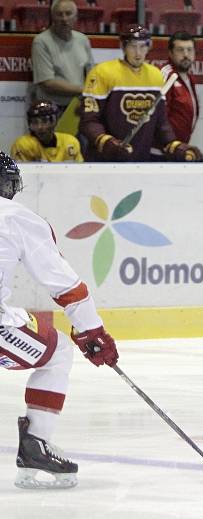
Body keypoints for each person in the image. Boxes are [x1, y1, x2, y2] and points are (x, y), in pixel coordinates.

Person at [0, 152, 120, 489]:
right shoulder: (15, 216)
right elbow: (66, 285)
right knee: (58, 353)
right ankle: (36, 444)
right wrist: (91, 330)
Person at [80, 25, 203, 163]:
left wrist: (174, 145)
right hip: (104, 161)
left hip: (141, 160)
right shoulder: (101, 72)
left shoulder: (155, 75)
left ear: (149, 47)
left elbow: (161, 123)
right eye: (133, 46)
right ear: (123, 46)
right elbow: (89, 120)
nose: (138, 53)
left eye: (143, 46)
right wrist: (105, 142)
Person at [31, 0, 93, 114]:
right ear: (52, 17)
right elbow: (47, 83)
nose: (64, 19)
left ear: (76, 17)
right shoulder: (41, 42)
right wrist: (84, 91)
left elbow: (91, 74)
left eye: (68, 14)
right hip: (52, 110)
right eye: (59, 14)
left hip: (78, 106)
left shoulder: (83, 40)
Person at [11, 100, 83, 162]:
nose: (40, 127)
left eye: (45, 121)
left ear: (55, 121)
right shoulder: (23, 144)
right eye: (35, 122)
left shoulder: (70, 142)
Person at [161, 31, 200, 144]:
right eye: (180, 50)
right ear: (171, 53)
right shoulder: (166, 74)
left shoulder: (190, 78)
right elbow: (159, 117)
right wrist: (171, 144)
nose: (186, 55)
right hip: (163, 151)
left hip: (179, 149)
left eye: (189, 50)